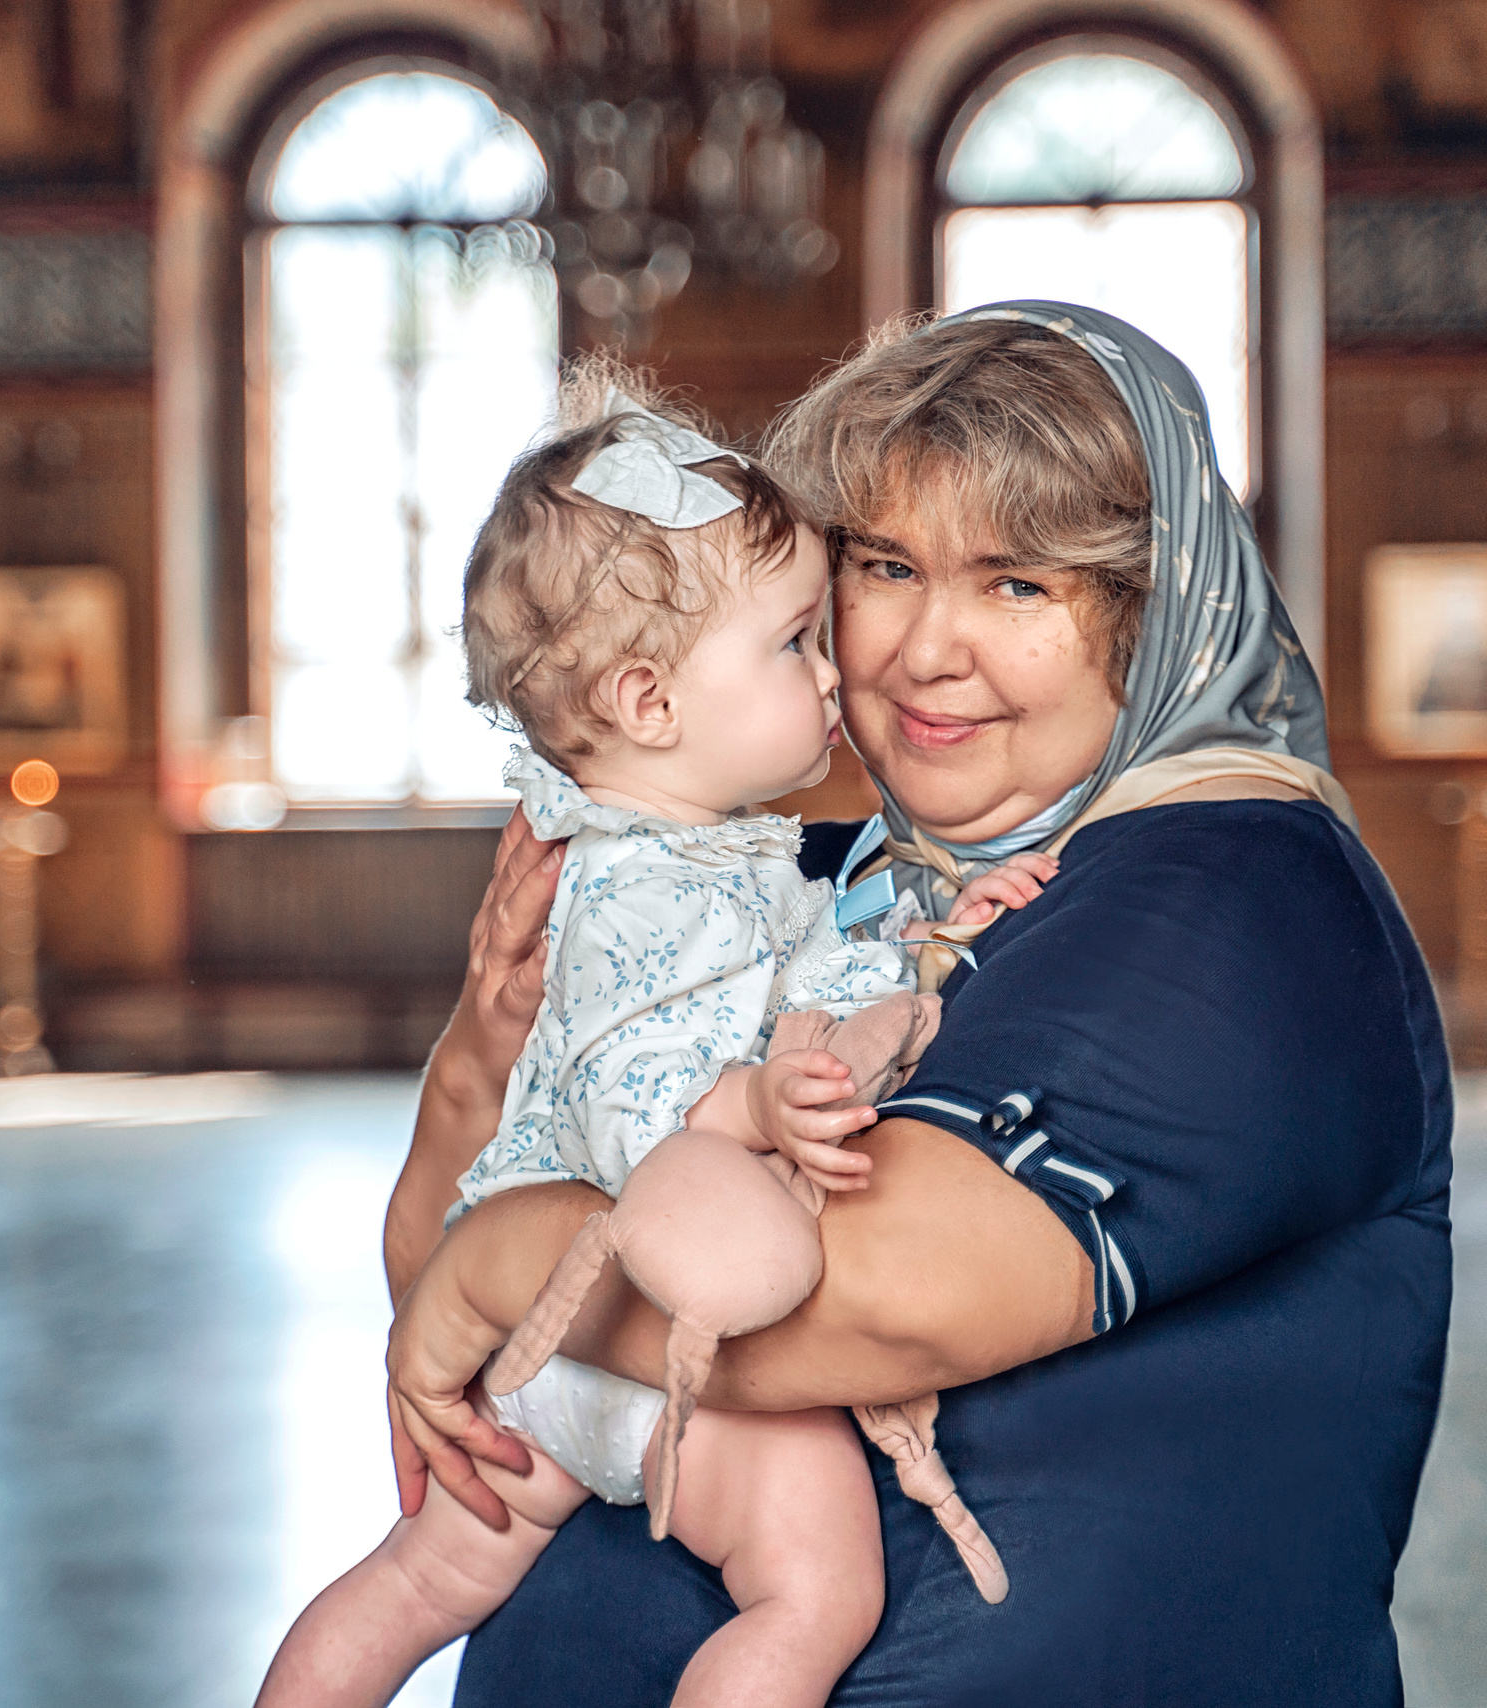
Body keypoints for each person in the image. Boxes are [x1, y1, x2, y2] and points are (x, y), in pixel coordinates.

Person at [378, 301, 1455, 1706]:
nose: (924, 649)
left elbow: (866, 1304)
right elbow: (426, 1282)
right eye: (887, 566)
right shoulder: (796, 887)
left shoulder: (1244, 891)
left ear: (1155, 611)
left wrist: (497, 1270)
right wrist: (478, 1054)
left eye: (1019, 586)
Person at [260, 378, 1049, 1708]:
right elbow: (640, 1107)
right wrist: (752, 1105)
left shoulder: (701, 849)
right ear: (649, 701)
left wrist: (930, 936)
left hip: (554, 1355)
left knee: (418, 1583)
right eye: (795, 643)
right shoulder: (638, 889)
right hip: (631, 1337)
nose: (832, 671)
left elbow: (807, 962)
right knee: (815, 1595)